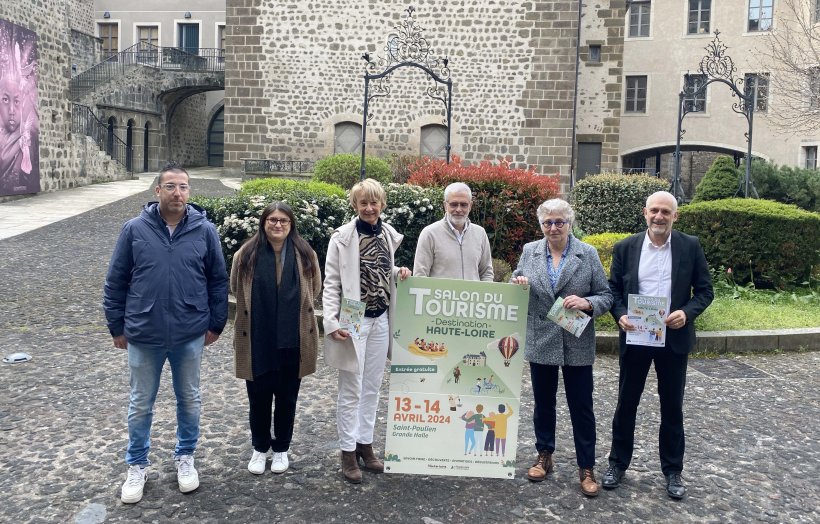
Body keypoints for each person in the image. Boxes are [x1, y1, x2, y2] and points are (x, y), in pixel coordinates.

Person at [103, 163, 228, 504]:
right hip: (144, 332)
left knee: (189, 399)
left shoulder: (205, 231)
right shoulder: (134, 230)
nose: (177, 193)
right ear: (157, 190)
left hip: (189, 331)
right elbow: (116, 281)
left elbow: (218, 279)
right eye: (170, 186)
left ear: (190, 192)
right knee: (140, 403)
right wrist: (116, 324)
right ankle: (137, 464)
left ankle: (185, 456)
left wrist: (217, 322)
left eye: (183, 187)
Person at [602, 191, 713, 500]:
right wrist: (621, 314)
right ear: (645, 213)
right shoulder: (627, 247)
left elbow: (705, 291)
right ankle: (617, 464)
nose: (659, 216)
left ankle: (673, 470)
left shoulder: (690, 246)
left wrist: (686, 314)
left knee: (672, 406)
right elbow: (613, 289)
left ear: (675, 216)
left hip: (673, 338)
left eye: (666, 211)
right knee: (626, 403)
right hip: (636, 336)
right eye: (654, 211)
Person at [511, 198, 613, 497]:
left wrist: (588, 303)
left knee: (581, 407)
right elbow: (515, 280)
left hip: (576, 340)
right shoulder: (530, 251)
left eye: (559, 222)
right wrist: (517, 283)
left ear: (570, 223)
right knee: (543, 403)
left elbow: (606, 295)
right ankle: (544, 454)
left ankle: (586, 466)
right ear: (541, 225)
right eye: (547, 222)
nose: (553, 228)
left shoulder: (587, 253)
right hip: (541, 336)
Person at [322, 178, 411, 483]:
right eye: (364, 203)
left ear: (381, 204)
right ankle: (347, 452)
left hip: (381, 317)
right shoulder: (342, 238)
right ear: (355, 206)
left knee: (372, 385)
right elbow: (332, 282)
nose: (370, 208)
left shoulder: (387, 234)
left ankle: (365, 445)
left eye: (374, 202)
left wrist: (398, 272)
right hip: (353, 314)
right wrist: (332, 322)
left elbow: (382, 269)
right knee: (351, 387)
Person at [230, 202, 321, 476]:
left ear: (291, 224)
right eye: (272, 220)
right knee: (257, 398)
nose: (277, 225)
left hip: (293, 340)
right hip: (257, 338)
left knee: (287, 398)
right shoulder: (246, 254)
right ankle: (259, 448)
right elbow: (236, 287)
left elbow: (314, 289)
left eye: (283, 220)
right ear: (264, 223)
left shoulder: (305, 254)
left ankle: (281, 448)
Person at [413, 182, 493, 281]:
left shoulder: (480, 233)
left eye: (463, 205)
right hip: (439, 296)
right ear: (445, 205)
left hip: (473, 296)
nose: (459, 209)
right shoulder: (430, 233)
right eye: (454, 204)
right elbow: (420, 275)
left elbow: (486, 273)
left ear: (470, 206)